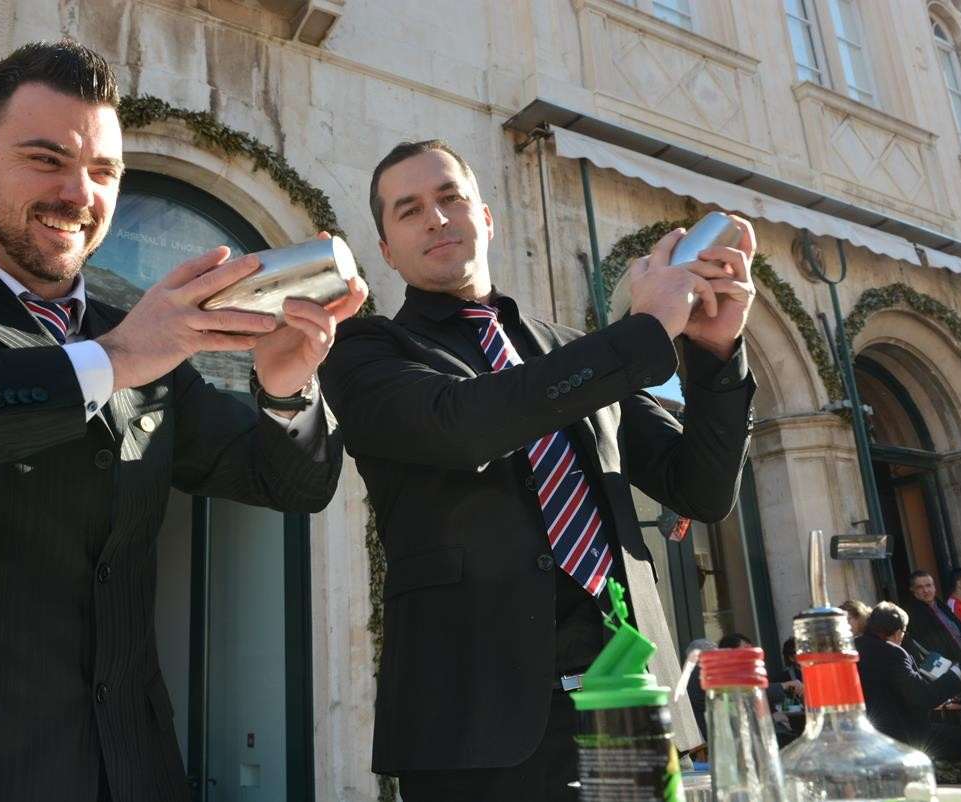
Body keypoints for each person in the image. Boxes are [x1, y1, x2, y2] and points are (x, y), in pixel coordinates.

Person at [0, 41, 365, 802]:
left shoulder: (142, 335)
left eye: (104, 171)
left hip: (133, 773)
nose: (78, 193)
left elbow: (289, 485)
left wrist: (287, 388)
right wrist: (111, 361)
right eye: (45, 159)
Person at [320, 140, 757, 801]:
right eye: (409, 210)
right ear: (386, 250)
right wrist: (645, 329)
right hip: (476, 729)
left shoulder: (573, 351)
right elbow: (465, 424)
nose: (436, 218)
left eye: (450, 198)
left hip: (629, 698)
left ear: (486, 218)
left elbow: (699, 488)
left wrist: (717, 354)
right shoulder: (366, 353)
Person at [856, 602, 961, 760]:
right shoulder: (894, 654)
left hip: (866, 736)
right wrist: (957, 674)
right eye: (904, 632)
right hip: (901, 737)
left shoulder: (855, 647)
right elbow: (923, 698)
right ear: (897, 632)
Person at [903, 570, 961, 663]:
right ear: (913, 590)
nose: (926, 590)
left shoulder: (942, 606)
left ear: (934, 587)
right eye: (920, 587)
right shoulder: (913, 616)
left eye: (928, 585)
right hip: (946, 664)